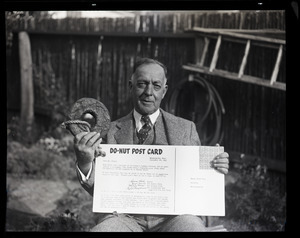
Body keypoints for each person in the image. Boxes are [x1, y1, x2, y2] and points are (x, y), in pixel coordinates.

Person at [73, 58, 229, 232]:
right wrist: (85, 162)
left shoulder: (186, 129)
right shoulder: (109, 132)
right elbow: (100, 191)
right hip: (124, 218)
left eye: (156, 85)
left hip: (175, 218)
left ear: (164, 91)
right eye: (142, 84)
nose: (149, 92)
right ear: (131, 86)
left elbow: (199, 184)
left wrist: (215, 166)